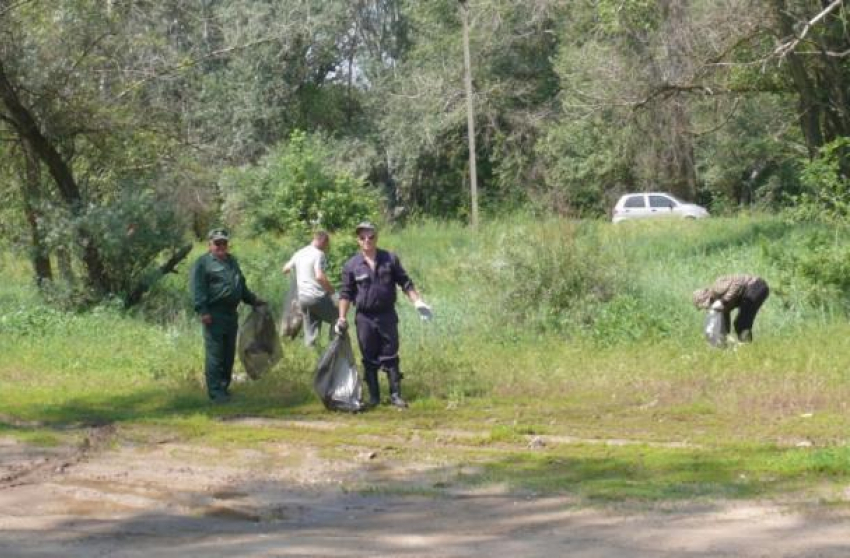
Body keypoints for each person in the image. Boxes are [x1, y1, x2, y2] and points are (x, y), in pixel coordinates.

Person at [336, 221, 432, 409]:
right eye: (362, 237)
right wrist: (341, 318)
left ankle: (396, 395)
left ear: (376, 237)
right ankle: (374, 398)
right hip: (364, 317)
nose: (367, 240)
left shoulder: (390, 259)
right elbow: (345, 294)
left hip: (387, 315)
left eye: (370, 236)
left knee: (391, 354)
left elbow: (405, 282)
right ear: (358, 240)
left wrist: (417, 302)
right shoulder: (352, 265)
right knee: (368, 355)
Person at [190, 228, 265, 402]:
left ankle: (224, 388)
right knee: (215, 354)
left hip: (231, 315)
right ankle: (215, 393)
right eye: (217, 243)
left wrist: (254, 300)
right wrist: (203, 311)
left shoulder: (232, 262)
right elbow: (198, 289)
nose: (221, 246)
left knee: (228, 354)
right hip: (213, 315)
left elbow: (241, 286)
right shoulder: (203, 263)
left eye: (224, 243)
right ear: (209, 245)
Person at [283, 231, 337, 347]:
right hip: (316, 297)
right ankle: (335, 350)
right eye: (327, 245)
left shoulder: (300, 253)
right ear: (323, 241)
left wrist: (298, 276)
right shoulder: (319, 254)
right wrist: (333, 293)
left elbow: (285, 269)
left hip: (303, 298)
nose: (327, 248)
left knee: (311, 331)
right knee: (338, 317)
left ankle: (312, 356)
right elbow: (319, 277)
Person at [692, 274, 769, 343]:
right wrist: (724, 338)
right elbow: (725, 322)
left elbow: (738, 283)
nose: (707, 308)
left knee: (741, 323)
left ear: (708, 296)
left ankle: (747, 347)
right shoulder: (719, 307)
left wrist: (724, 300)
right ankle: (746, 347)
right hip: (752, 292)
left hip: (756, 286)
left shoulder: (717, 288)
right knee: (740, 324)